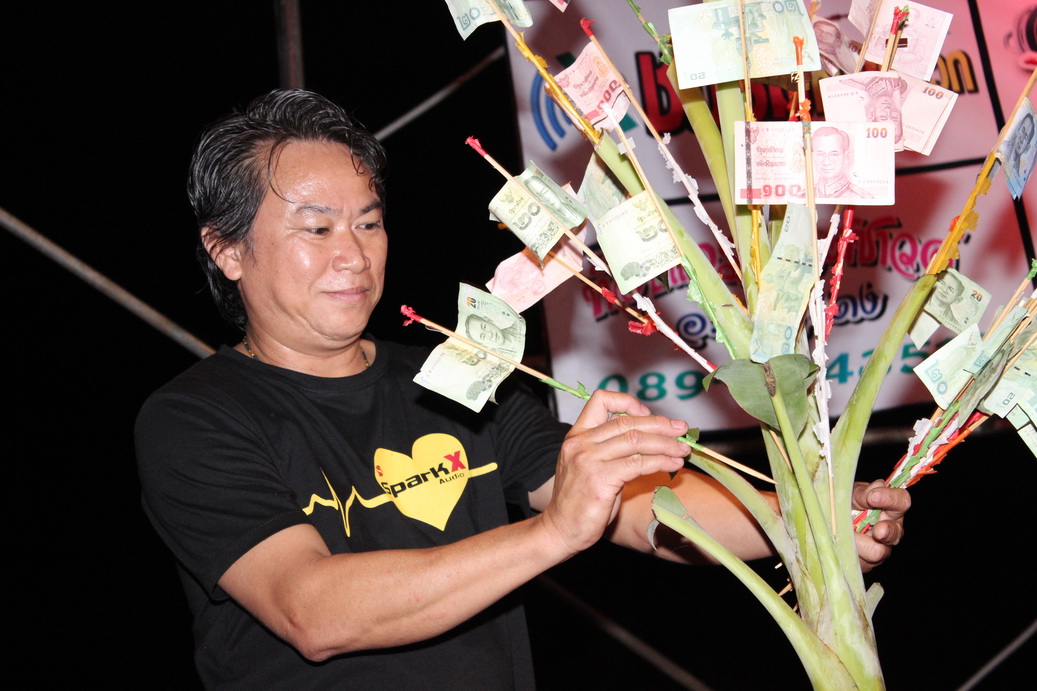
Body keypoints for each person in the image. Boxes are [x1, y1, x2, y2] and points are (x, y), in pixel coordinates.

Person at [136, 89, 909, 688]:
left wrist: (813, 525)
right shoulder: (193, 418)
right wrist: (552, 532)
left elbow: (642, 511)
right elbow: (312, 610)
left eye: (367, 223)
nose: (353, 255)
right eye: (316, 228)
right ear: (227, 250)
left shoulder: (452, 376)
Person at [812, 125, 874, 200]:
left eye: (834, 155)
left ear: (846, 157)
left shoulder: (863, 198)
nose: (826, 162)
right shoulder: (802, 196)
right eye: (820, 154)